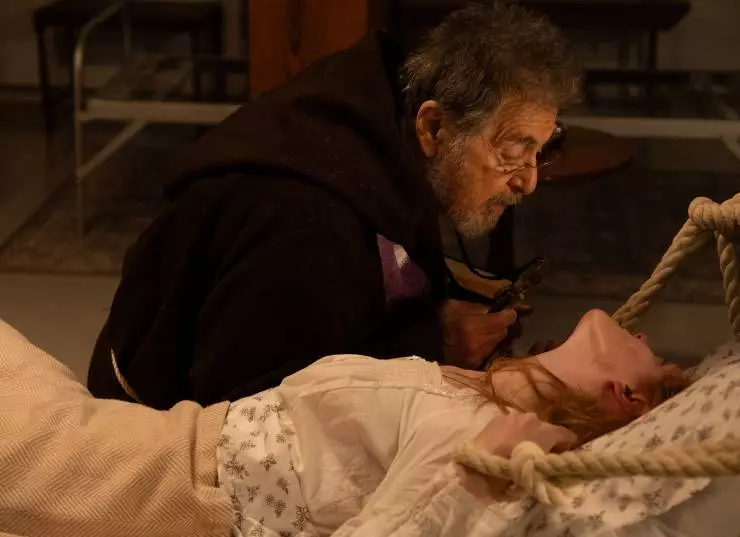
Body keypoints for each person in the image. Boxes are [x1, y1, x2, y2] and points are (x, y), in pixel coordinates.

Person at [87, 2, 582, 408]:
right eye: (513, 151)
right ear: (433, 127)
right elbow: (254, 423)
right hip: (164, 437)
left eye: (540, 151)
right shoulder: (307, 223)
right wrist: (431, 345)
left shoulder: (383, 114)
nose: (529, 181)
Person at [2, 309, 688, 537]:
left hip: (155, 482)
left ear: (627, 394)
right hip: (147, 442)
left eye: (654, 360)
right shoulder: (475, 387)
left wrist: (474, 475)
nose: (641, 334)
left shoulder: (473, 433)